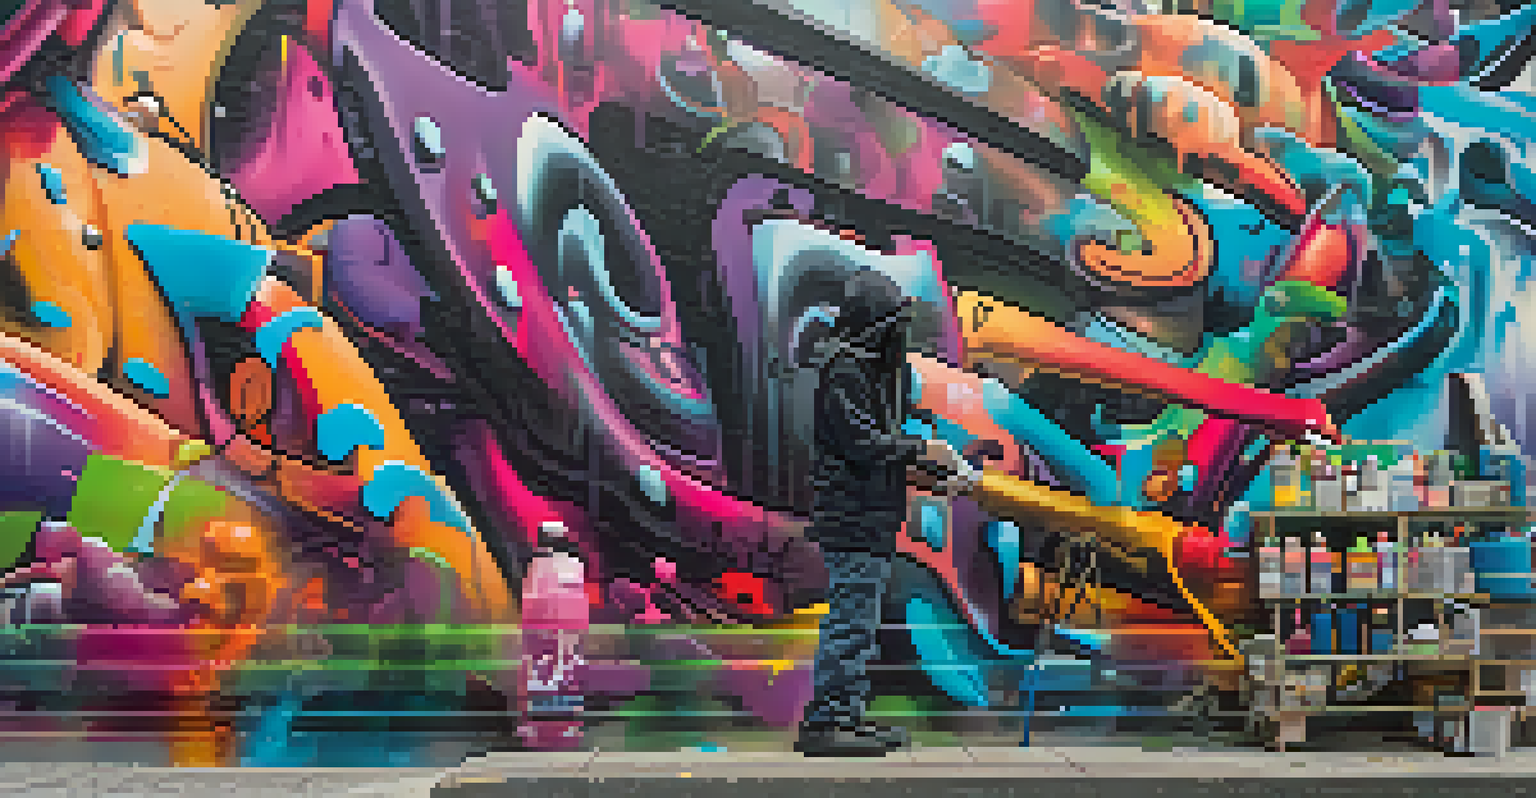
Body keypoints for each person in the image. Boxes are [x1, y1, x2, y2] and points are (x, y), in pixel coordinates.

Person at [795, 271, 977, 757]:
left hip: (867, 519)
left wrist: (934, 478)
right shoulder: (845, 369)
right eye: (896, 324)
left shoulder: (861, 369)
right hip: (852, 521)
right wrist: (926, 450)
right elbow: (861, 445)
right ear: (877, 326)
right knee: (850, 624)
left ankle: (845, 715)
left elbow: (874, 454)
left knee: (859, 623)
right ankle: (828, 722)